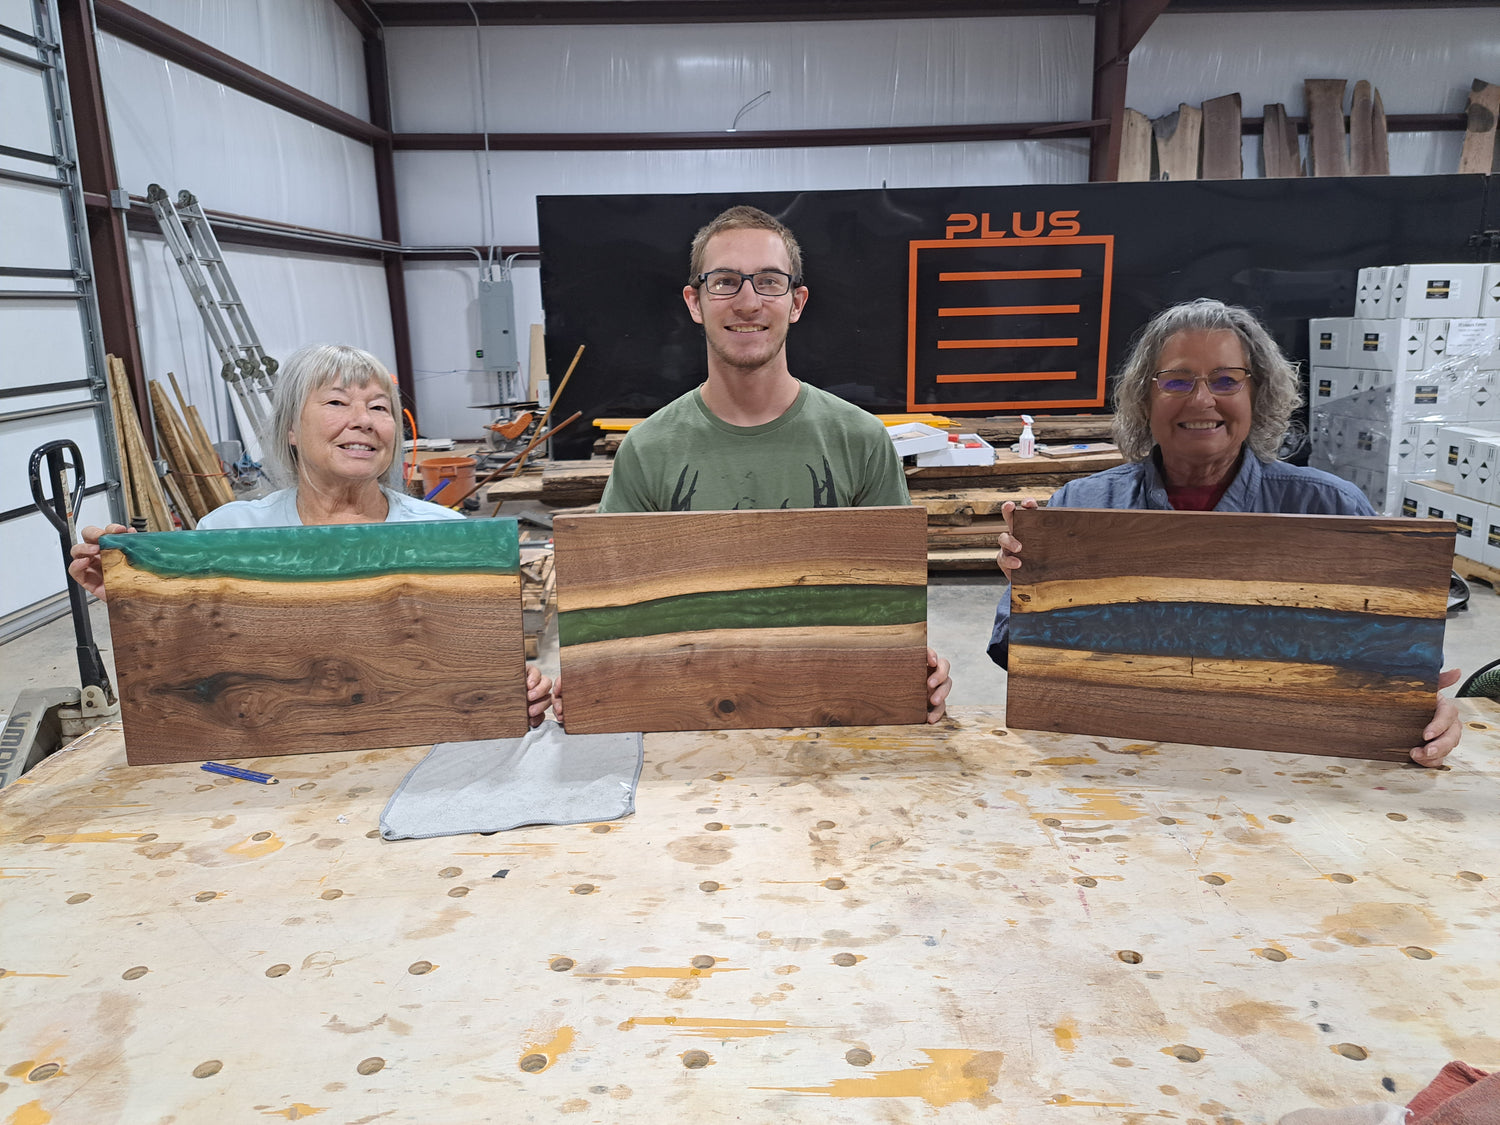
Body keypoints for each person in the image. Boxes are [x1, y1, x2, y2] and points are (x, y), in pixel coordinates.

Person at [987, 298, 1461, 767]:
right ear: (1144, 400)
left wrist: (1421, 706)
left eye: (1226, 380)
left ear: (1259, 395)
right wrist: (1038, 599)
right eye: (1176, 380)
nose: (1201, 399)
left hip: (1283, 768)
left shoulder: (1330, 508)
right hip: (1117, 761)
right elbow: (1021, 662)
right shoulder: (1081, 507)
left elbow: (1383, 664)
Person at [557, 204, 952, 723]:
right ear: (694, 302)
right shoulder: (649, 449)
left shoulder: (859, 440)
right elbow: (614, 611)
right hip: (687, 720)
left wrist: (913, 674)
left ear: (796, 302)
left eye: (769, 281)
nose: (747, 302)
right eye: (724, 281)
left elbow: (887, 606)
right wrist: (590, 677)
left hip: (830, 720)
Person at [69, 343, 554, 726]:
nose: (362, 420)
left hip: (414, 749)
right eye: (337, 402)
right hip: (268, 754)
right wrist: (140, 599)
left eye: (379, 408)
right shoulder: (228, 534)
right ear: (291, 431)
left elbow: (475, 665)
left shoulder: (444, 536)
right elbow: (197, 672)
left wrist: (519, 687)